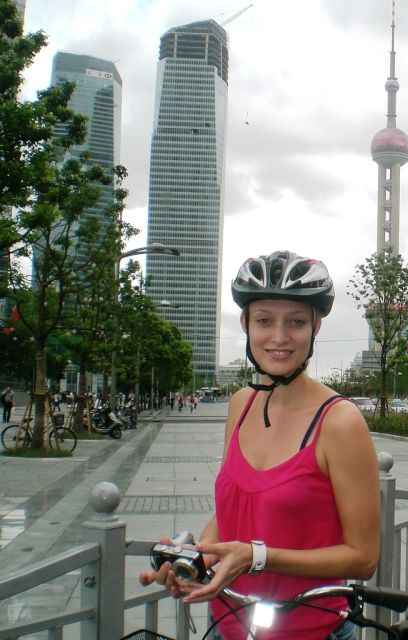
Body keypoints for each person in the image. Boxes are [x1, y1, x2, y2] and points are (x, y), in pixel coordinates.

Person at [139, 250, 380, 640]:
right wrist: (197, 558)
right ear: (246, 324)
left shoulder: (339, 421)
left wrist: (255, 557)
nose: (280, 337)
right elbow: (231, 513)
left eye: (297, 322)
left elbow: (363, 557)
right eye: (264, 320)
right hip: (227, 626)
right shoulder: (241, 404)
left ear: (316, 327)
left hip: (314, 630)